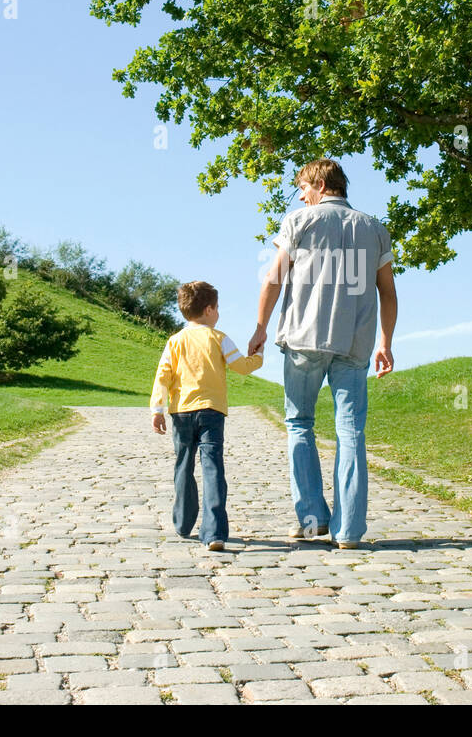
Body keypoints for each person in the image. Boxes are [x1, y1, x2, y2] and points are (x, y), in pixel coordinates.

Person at [248, 158, 397, 549]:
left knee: (300, 424)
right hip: (355, 344)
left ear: (319, 184)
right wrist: (386, 342)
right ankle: (348, 532)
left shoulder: (299, 220)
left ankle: (313, 520)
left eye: (302, 186)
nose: (300, 195)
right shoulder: (376, 229)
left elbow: (273, 278)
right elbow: (388, 292)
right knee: (351, 432)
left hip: (303, 340)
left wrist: (261, 328)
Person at [151, 281, 263, 552]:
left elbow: (162, 376)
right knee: (212, 467)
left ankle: (182, 523)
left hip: (180, 413)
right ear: (210, 310)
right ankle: (214, 533)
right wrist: (258, 356)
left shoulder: (174, 341)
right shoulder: (219, 338)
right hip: (212, 412)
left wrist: (157, 409)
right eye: (218, 308)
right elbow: (241, 366)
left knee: (183, 466)